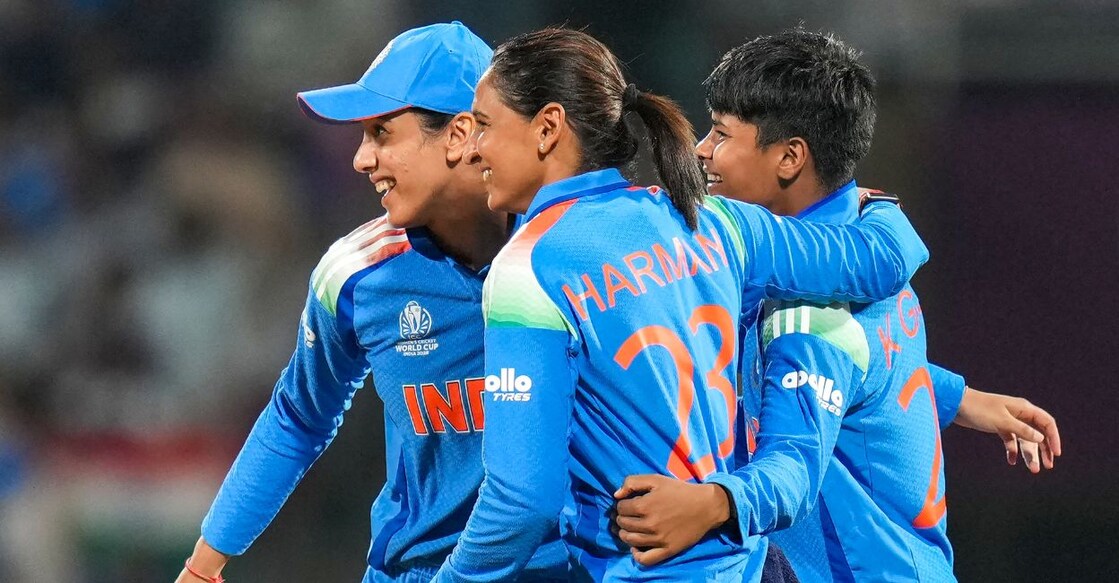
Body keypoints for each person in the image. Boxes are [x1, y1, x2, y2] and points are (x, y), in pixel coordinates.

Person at [432, 27, 932, 582]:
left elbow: (522, 503)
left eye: (482, 125)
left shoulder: (529, 268)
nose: (471, 147)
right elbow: (878, 259)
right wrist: (876, 202)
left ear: (548, 128)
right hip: (754, 568)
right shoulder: (714, 222)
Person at [610, 29, 1062, 582]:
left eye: (722, 134)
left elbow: (794, 465)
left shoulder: (810, 312)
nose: (702, 149)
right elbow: (874, 367)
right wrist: (956, 397)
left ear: (790, 157)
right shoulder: (854, 234)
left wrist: (709, 505)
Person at [175, 22, 571, 583]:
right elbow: (297, 416)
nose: (362, 159)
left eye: (382, 132)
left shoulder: (576, 253)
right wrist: (202, 567)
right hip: (419, 571)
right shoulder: (359, 273)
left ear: (460, 134)